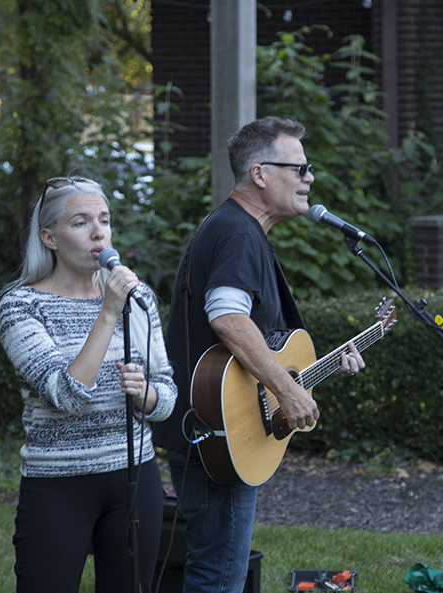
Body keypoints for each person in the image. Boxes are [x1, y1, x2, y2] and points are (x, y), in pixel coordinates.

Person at [153, 116, 365, 593]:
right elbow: (227, 318)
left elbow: (254, 342)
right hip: (215, 432)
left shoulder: (233, 228)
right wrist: (287, 387)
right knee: (219, 576)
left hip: (215, 425)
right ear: (260, 174)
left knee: (214, 569)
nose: (310, 178)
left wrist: (311, 370)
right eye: (300, 167)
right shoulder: (239, 232)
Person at [0, 176, 177, 593]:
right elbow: (65, 393)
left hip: (134, 476)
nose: (98, 232)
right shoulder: (22, 305)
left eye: (104, 220)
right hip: (58, 483)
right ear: (50, 238)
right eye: (80, 223)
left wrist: (145, 393)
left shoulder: (139, 297)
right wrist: (108, 313)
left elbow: (166, 392)